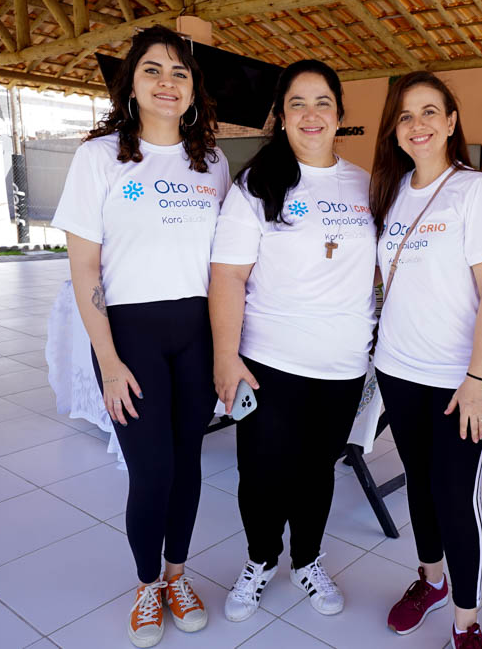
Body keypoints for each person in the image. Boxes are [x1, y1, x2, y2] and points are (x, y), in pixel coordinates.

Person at [51, 26, 229, 648]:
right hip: (130, 336)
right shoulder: (99, 157)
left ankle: (179, 576)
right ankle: (147, 584)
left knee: (188, 469)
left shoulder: (212, 163)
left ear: (193, 90)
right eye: (153, 70)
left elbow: (225, 265)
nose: (166, 82)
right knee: (150, 472)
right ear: (131, 83)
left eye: (180, 72)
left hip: (197, 332)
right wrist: (109, 360)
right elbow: (84, 268)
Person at [209, 60, 375, 623]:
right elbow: (228, 276)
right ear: (280, 116)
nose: (310, 114)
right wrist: (225, 358)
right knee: (261, 473)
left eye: (322, 102)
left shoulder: (364, 184)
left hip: (343, 365)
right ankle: (259, 561)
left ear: (339, 113)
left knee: (317, 471)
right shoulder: (257, 184)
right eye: (297, 103)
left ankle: (307, 559)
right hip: (270, 362)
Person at [370, 71, 482, 649]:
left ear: (452, 122)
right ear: (395, 130)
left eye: (430, 112)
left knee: (455, 495)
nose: (418, 125)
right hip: (399, 370)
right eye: (406, 116)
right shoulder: (392, 189)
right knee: (421, 488)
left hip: (463, 379)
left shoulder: (476, 191)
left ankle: (466, 618)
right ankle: (430, 582)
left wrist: (478, 378)